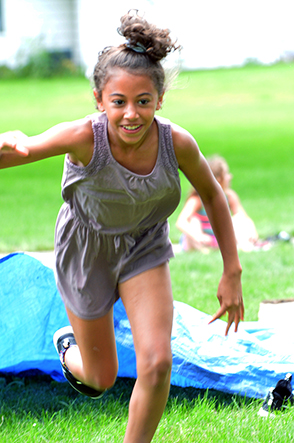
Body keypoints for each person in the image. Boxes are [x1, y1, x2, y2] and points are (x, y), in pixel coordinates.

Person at [0, 11, 243, 443]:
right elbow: (25, 149)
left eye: (143, 101)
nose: (131, 114)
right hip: (86, 251)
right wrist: (10, 143)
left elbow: (212, 195)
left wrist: (231, 270)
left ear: (160, 98)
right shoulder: (83, 137)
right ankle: (69, 346)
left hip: (145, 247)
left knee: (157, 363)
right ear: (99, 99)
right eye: (119, 102)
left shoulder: (177, 143)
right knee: (100, 378)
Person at [176, 155, 264, 252]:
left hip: (218, 239)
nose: (230, 177)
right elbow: (181, 222)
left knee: (238, 218)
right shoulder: (197, 199)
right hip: (197, 241)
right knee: (194, 220)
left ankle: (246, 246)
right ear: (218, 179)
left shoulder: (230, 197)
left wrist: (252, 231)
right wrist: (199, 236)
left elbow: (243, 217)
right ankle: (202, 250)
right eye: (226, 174)